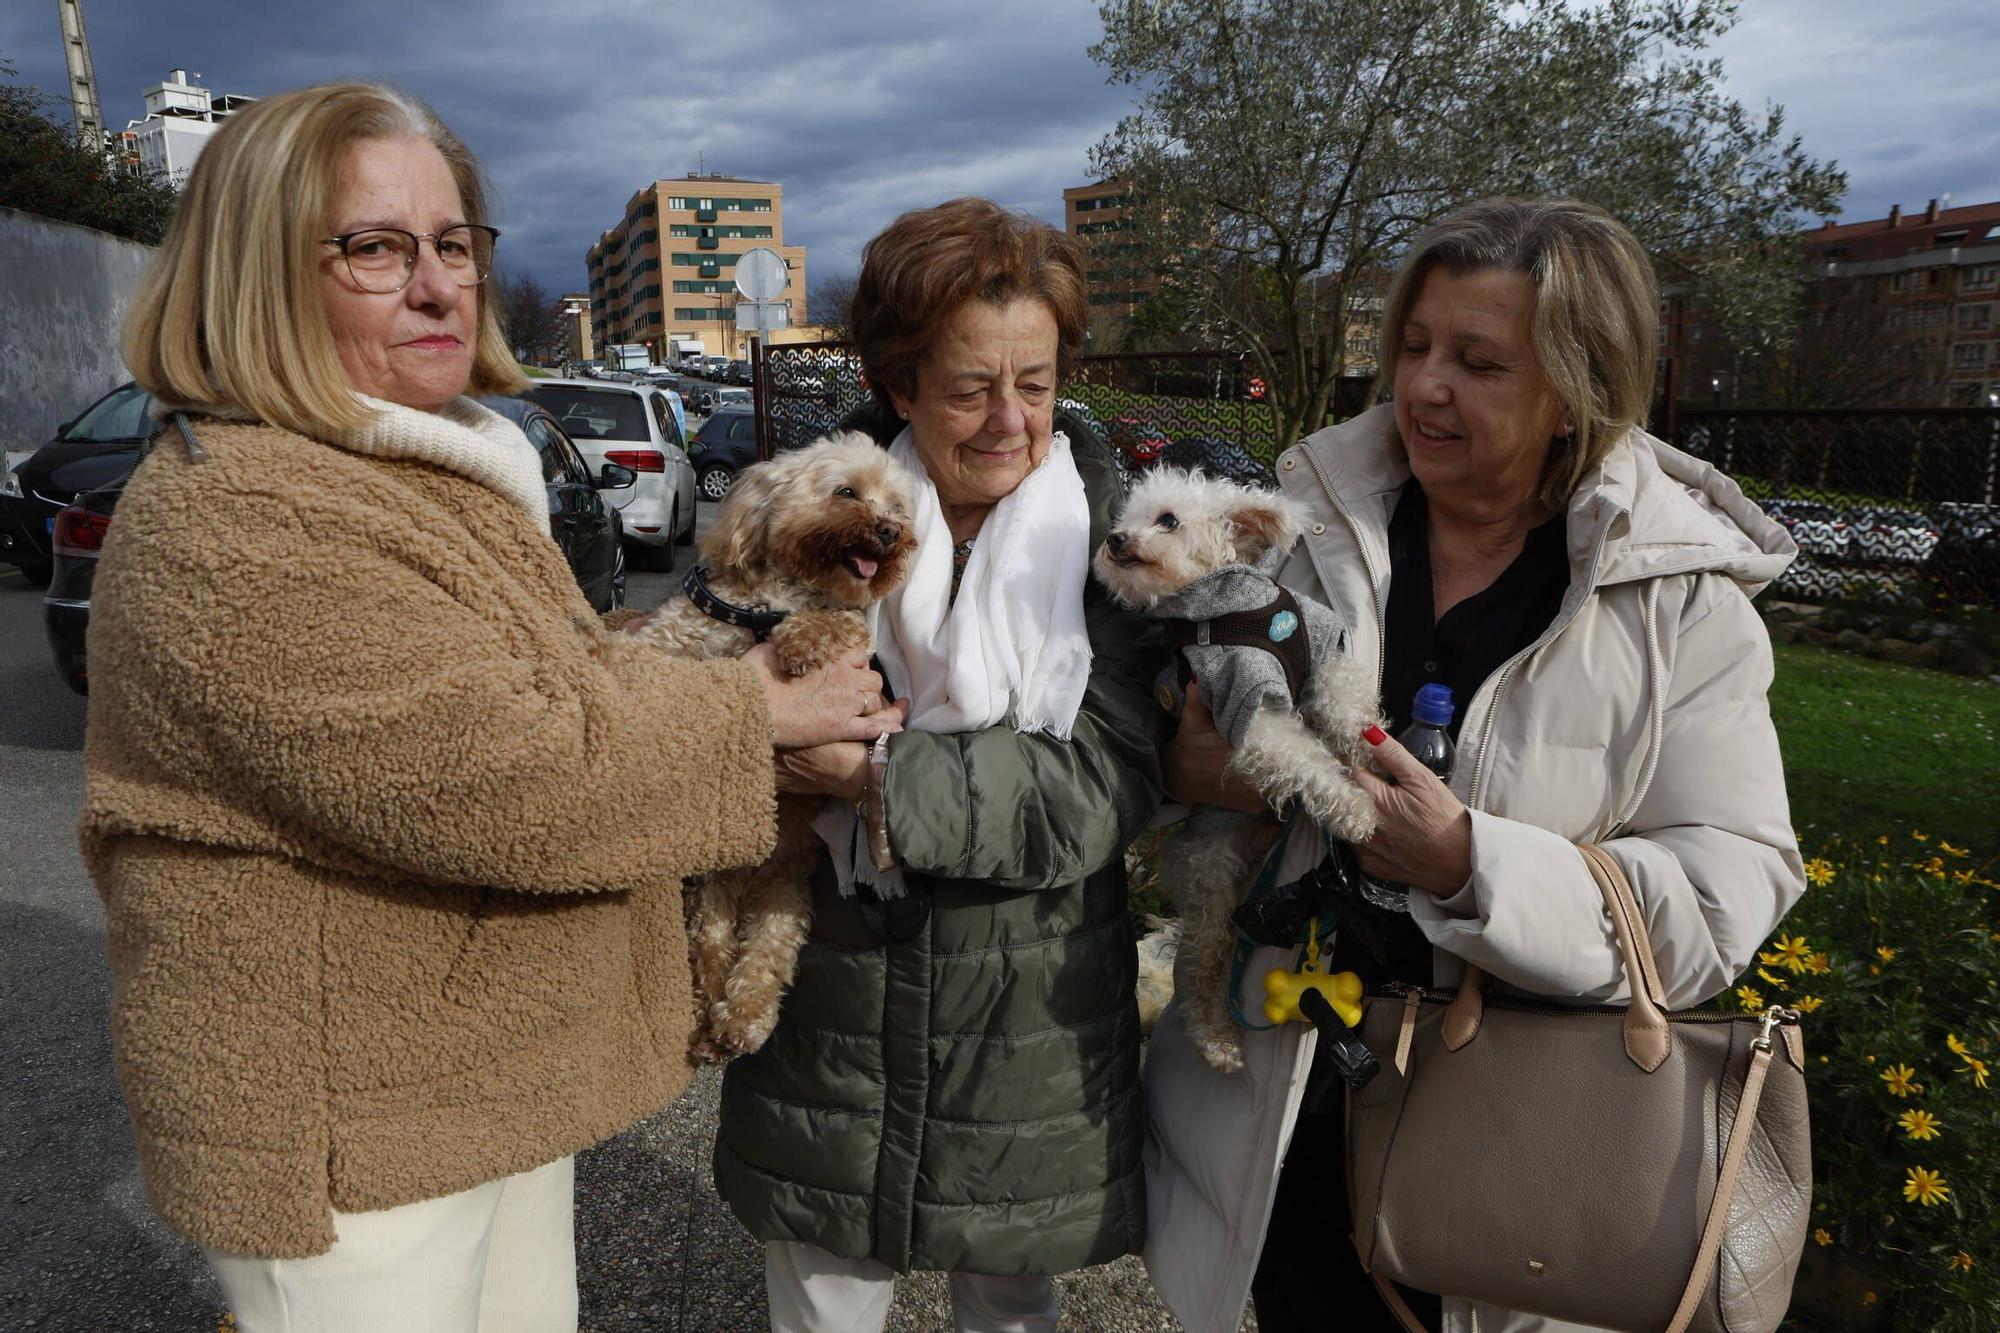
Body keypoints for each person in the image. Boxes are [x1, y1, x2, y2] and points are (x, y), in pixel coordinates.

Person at [83, 82, 894, 1333]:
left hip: (477, 1074)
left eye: (454, 244)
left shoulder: (426, 467)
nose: (436, 284)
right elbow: (489, 772)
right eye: (374, 247)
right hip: (356, 1123)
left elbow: (546, 683)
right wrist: (757, 719)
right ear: (252, 275)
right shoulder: (234, 507)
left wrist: (680, 676)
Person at [1141, 198, 1806, 1333]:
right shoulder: (1310, 525)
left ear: (1574, 391)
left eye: (1477, 361)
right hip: (1287, 1121)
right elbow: (1157, 726)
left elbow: (1721, 895)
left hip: (1515, 1149)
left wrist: (1466, 863)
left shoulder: (1678, 604)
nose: (1424, 387)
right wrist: (1180, 760)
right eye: (1413, 347)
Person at [709, 197, 1165, 1333]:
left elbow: (1104, 778)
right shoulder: (811, 510)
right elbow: (710, 698)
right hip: (832, 995)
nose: (1010, 422)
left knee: (1009, 1295)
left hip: (1030, 1014)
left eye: (1036, 383)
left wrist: (862, 772)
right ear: (900, 385)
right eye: (969, 388)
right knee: (821, 1293)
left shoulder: (1115, 537)